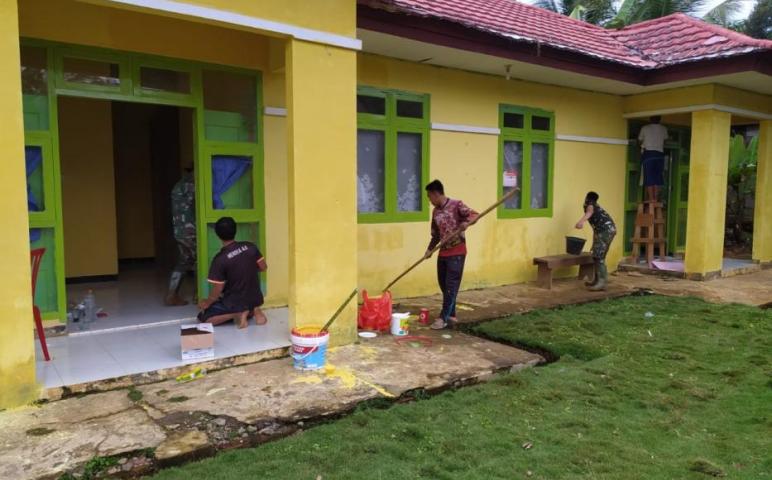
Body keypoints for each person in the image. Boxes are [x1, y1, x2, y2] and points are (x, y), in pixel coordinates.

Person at [423, 180, 479, 330]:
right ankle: (451, 315)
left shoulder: (456, 205)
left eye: (429, 197)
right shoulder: (435, 212)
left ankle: (443, 318)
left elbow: (475, 215)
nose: (429, 200)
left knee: (450, 287)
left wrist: (467, 223)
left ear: (436, 194)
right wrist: (429, 250)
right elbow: (436, 235)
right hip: (443, 252)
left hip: (457, 252)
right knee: (443, 284)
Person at [198, 217, 268, 329]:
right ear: (235, 230)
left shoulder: (220, 259)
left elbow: (218, 289)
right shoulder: (250, 247)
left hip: (234, 302)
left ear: (218, 235)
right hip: (255, 298)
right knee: (247, 302)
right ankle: (254, 309)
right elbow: (263, 267)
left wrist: (208, 302)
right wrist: (247, 270)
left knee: (204, 318)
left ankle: (238, 313)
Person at [166, 167, 196, 306]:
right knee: (200, 260)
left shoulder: (179, 185)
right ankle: (199, 295)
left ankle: (171, 295)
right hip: (191, 229)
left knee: (184, 260)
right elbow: (198, 205)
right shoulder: (192, 183)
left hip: (180, 230)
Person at [575, 191, 616, 291]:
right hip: (605, 231)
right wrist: (594, 243)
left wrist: (581, 222)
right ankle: (597, 280)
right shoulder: (597, 207)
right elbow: (596, 229)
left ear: (587, 198)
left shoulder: (591, 205)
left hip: (606, 231)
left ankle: (602, 282)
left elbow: (589, 212)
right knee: (596, 255)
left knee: (599, 256)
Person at [638, 116, 668, 202]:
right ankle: (655, 198)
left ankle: (651, 199)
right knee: (657, 177)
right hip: (659, 155)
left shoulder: (645, 128)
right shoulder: (663, 128)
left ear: (650, 119)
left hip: (648, 154)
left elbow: (639, 140)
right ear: (660, 119)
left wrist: (641, 145)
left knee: (649, 177)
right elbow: (665, 141)